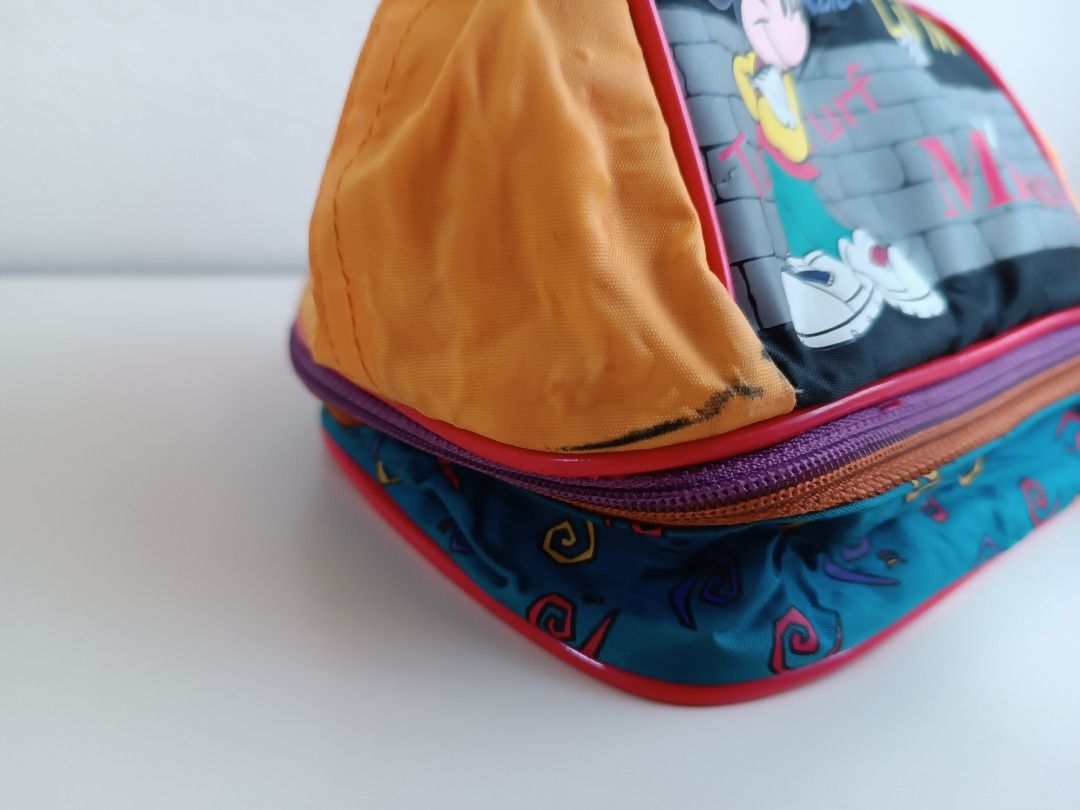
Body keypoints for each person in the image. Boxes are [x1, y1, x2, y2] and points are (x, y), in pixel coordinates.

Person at [723, 0, 946, 348]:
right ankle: (825, 270)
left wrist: (778, 108)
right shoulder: (746, 68)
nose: (778, 28)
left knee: (802, 206)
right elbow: (787, 142)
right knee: (789, 210)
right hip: (769, 168)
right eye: (763, 19)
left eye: (790, 13)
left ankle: (844, 256)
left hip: (785, 165)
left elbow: (796, 145)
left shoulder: (779, 79)